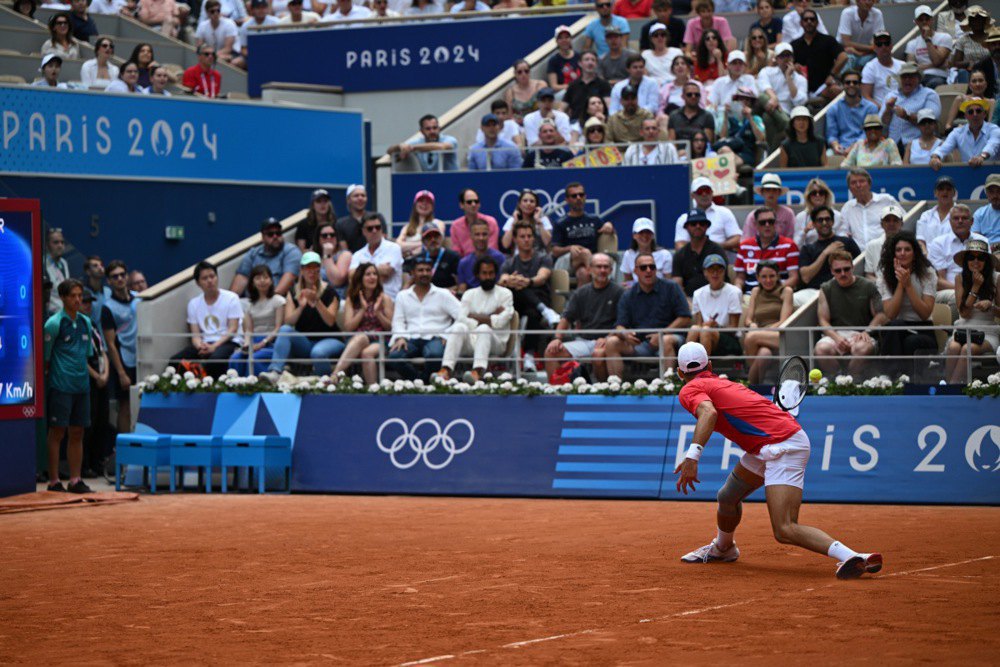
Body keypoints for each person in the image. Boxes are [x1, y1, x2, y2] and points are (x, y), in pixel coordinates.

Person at [673, 341, 882, 579]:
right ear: (710, 365)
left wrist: (692, 456)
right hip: (767, 445)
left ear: (680, 373)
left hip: (783, 446)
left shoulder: (689, 390)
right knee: (727, 497)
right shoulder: (724, 383)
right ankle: (724, 548)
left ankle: (855, 556)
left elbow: (708, 413)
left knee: (785, 528)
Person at [599, 252, 691, 376]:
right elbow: (620, 325)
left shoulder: (671, 287)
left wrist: (661, 333)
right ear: (635, 271)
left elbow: (685, 317)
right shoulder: (628, 295)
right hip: (640, 343)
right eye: (643, 267)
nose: (648, 270)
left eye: (652, 267)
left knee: (666, 340)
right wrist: (625, 334)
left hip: (670, 337)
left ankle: (667, 386)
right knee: (611, 342)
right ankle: (616, 388)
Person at [257, 252, 343, 381]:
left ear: (320, 269)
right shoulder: (293, 291)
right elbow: (288, 321)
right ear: (301, 270)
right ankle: (275, 372)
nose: (312, 272)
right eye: (308, 268)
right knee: (285, 330)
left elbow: (330, 321)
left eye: (315, 268)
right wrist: (301, 307)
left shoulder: (330, 291)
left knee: (318, 352)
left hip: (330, 339)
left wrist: (317, 302)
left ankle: (326, 384)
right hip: (306, 342)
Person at [44, 279, 94, 494]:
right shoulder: (53, 324)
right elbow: (46, 358)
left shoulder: (86, 323)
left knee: (77, 433)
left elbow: (87, 355)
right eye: (72, 296)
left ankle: (75, 480)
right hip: (60, 386)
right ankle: (54, 481)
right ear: (63, 298)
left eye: (79, 295)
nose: (77, 300)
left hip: (81, 387)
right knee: (57, 433)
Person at [544, 253, 623, 380]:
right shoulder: (581, 292)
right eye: (598, 267)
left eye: (606, 267)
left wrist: (609, 337)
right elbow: (566, 317)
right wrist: (557, 338)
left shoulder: (619, 292)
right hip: (583, 341)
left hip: (608, 341)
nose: (602, 270)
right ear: (589, 269)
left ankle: (602, 392)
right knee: (551, 352)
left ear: (611, 270)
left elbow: (622, 322)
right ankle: (556, 394)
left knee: (598, 355)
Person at [437, 257, 515, 381]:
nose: (488, 277)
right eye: (484, 273)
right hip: (470, 341)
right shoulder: (469, 294)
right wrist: (491, 316)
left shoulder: (505, 294)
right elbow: (461, 319)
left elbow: (501, 322)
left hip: (496, 342)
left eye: (491, 273)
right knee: (458, 327)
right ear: (477, 274)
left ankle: (477, 372)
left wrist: (473, 317)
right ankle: (446, 370)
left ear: (496, 274)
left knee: (483, 329)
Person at [388, 255, 463, 381]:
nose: (425, 273)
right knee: (394, 357)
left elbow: (463, 316)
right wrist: (400, 337)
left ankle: (423, 385)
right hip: (410, 338)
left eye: (428, 270)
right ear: (412, 273)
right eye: (420, 270)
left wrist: (447, 334)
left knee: (435, 355)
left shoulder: (443, 294)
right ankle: (422, 382)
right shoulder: (402, 296)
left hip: (436, 337)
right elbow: (398, 321)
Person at [499, 223, 560, 371]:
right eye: (522, 236)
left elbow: (542, 277)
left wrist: (527, 281)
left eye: (529, 236)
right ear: (515, 239)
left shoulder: (543, 258)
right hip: (518, 303)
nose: (526, 239)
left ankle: (529, 355)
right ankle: (545, 311)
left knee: (532, 311)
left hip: (538, 298)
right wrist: (510, 280)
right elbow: (502, 280)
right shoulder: (509, 262)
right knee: (516, 289)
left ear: (534, 238)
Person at [814, 250, 882, 377]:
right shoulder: (826, 288)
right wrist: (837, 338)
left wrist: (867, 331)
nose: (843, 273)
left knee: (862, 349)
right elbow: (823, 320)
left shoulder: (868, 286)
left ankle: (850, 381)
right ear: (831, 271)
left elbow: (880, 315)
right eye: (838, 271)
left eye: (846, 269)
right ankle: (835, 381)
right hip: (836, 333)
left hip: (861, 333)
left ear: (853, 267)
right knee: (821, 349)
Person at [171, 261, 244, 379]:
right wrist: (200, 346)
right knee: (175, 361)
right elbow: (195, 335)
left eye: (212, 276)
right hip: (205, 343)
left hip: (228, 341)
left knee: (215, 361)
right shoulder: (193, 304)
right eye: (205, 278)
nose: (210, 281)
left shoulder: (231, 298)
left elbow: (233, 329)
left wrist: (214, 346)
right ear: (198, 283)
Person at [876, 231, 938, 364]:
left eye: (907, 249)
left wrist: (908, 285)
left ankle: (894, 377)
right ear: (893, 253)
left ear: (914, 253)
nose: (902, 253)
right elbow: (891, 314)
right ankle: (895, 379)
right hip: (897, 329)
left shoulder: (927, 273)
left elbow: (925, 314)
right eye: (898, 250)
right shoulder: (884, 276)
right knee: (895, 325)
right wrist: (900, 283)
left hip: (923, 329)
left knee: (910, 341)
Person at [944, 238, 1000, 383]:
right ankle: (950, 390)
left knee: (966, 349)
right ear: (966, 261)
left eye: (980, 257)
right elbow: (964, 313)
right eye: (971, 257)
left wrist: (991, 306)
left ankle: (951, 390)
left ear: (986, 261)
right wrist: (975, 288)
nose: (975, 261)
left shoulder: (997, 278)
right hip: (964, 329)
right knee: (954, 347)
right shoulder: (960, 278)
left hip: (987, 332)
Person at [333, 263, 394, 385]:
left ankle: (373, 389)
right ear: (360, 278)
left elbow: (391, 328)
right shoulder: (352, 299)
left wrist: (378, 312)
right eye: (368, 274)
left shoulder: (384, 299)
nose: (373, 277)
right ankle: (335, 375)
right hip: (358, 339)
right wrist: (362, 310)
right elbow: (349, 328)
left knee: (367, 353)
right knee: (361, 337)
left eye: (375, 274)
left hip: (380, 339)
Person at [552, 182, 616, 286]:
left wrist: (610, 226)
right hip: (567, 262)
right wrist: (569, 248)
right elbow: (554, 251)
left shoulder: (594, 219)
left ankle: (587, 300)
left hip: (587, 264)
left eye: (581, 195)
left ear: (585, 197)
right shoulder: (561, 223)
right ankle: (604, 280)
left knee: (583, 274)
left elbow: (611, 234)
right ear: (567, 200)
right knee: (585, 253)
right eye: (574, 196)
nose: (578, 198)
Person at [101, 260, 138, 437]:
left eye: (122, 275)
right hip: (124, 361)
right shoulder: (108, 308)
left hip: (144, 358)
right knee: (125, 406)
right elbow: (110, 344)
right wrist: (121, 372)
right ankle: (125, 458)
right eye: (115, 277)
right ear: (109, 281)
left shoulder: (140, 299)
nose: (120, 279)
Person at [741, 259, 794, 383]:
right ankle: (757, 387)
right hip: (760, 336)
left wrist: (760, 332)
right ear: (758, 278)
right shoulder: (756, 291)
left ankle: (748, 385)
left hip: (780, 334)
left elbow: (784, 321)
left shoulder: (786, 291)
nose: (768, 280)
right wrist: (752, 324)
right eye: (764, 277)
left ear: (778, 276)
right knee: (764, 354)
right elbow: (748, 319)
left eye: (772, 276)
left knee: (751, 337)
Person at [928, 204, 987, 311]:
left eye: (964, 218)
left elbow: (987, 271)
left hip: (979, 287)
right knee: (955, 297)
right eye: (956, 218)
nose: (960, 221)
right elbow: (939, 281)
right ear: (949, 222)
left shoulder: (982, 241)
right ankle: (958, 328)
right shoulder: (938, 243)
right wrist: (962, 290)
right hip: (948, 290)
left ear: (972, 221)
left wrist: (973, 290)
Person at [228, 265, 286, 375]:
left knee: (254, 359)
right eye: (258, 278)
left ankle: (253, 386)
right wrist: (246, 344)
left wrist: (263, 343)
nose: (262, 281)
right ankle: (237, 386)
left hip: (271, 342)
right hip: (254, 341)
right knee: (235, 358)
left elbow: (279, 327)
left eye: (265, 277)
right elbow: (249, 330)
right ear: (253, 282)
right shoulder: (250, 305)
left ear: (271, 280)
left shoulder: (278, 301)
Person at [797, 206, 862, 303]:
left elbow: (860, 267)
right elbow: (805, 277)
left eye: (827, 219)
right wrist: (825, 253)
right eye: (820, 220)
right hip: (814, 293)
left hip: (845, 288)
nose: (824, 223)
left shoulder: (847, 242)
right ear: (814, 224)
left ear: (833, 222)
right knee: (793, 298)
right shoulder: (807, 249)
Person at [686, 254, 741, 357]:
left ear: (724, 272)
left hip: (729, 339)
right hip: (705, 334)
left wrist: (717, 326)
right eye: (711, 270)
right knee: (694, 328)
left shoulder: (734, 292)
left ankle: (704, 371)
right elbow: (699, 324)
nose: (715, 273)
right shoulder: (698, 293)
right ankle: (685, 366)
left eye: (719, 270)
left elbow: (734, 328)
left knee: (706, 330)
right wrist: (706, 325)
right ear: (705, 272)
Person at [735, 207, 800, 294]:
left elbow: (794, 278)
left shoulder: (789, 245)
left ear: (776, 223)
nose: (767, 225)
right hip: (750, 297)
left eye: (771, 222)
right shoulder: (744, 246)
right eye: (762, 222)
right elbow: (740, 278)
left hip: (778, 295)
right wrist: (737, 291)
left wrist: (772, 292)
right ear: (756, 225)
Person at [230, 217, 301, 297]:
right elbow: (239, 283)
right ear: (263, 238)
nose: (275, 236)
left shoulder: (291, 252)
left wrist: (263, 304)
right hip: (251, 302)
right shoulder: (252, 254)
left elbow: (282, 289)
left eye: (278, 233)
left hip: (276, 301)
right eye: (270, 234)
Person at [757, 42, 808, 148]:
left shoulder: (800, 79)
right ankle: (787, 125)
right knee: (762, 98)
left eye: (788, 55)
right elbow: (762, 85)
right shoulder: (767, 71)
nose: (786, 59)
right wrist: (774, 97)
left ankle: (770, 150)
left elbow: (800, 102)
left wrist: (789, 78)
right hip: (769, 106)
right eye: (782, 56)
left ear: (793, 58)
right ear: (776, 59)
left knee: (767, 118)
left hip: (788, 113)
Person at [880, 63, 941, 150]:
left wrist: (906, 116)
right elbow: (883, 124)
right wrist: (888, 110)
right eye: (904, 77)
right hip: (892, 145)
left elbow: (931, 122)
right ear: (900, 79)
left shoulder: (929, 94)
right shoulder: (890, 96)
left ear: (919, 79)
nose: (907, 80)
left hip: (919, 145)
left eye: (911, 77)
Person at [929, 97, 1000, 168]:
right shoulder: (957, 132)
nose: (975, 114)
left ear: (984, 114)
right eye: (970, 112)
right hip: (967, 174)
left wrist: (982, 157)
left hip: (992, 175)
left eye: (978, 111)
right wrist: (935, 157)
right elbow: (944, 148)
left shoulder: (994, 130)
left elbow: (992, 145)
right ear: (966, 116)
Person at [674, 178, 741, 252]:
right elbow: (679, 244)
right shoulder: (684, 218)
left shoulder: (724, 212)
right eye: (700, 191)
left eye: (707, 190)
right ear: (692, 195)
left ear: (712, 193)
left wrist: (715, 247)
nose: (704, 194)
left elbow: (737, 238)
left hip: (721, 258)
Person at [793, 8, 846, 101]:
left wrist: (832, 75)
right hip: (801, 89)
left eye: (812, 19)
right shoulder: (794, 44)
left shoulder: (828, 40)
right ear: (801, 23)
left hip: (824, 87)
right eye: (806, 20)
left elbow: (843, 57)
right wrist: (793, 67)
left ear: (817, 23)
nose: (809, 22)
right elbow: (785, 63)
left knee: (838, 91)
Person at [673, 209, 727, 297]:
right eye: (693, 224)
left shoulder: (717, 250)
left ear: (707, 226)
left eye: (702, 223)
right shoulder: (680, 254)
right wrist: (688, 305)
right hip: (688, 302)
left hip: (716, 298)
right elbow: (677, 287)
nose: (698, 226)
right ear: (686, 227)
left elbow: (722, 280)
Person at [349, 213, 404, 299]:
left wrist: (362, 273)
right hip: (363, 301)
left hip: (390, 300)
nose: (374, 231)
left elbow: (386, 272)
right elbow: (351, 276)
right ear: (363, 231)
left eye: (378, 227)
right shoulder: (357, 254)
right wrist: (379, 270)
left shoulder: (394, 248)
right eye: (370, 228)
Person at [841, 167, 900, 247]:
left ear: (869, 184)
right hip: (858, 256)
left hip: (886, 250)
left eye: (861, 181)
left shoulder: (886, 200)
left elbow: (904, 220)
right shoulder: (847, 207)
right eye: (853, 182)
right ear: (849, 188)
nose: (858, 185)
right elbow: (843, 233)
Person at [825, 69, 879, 157]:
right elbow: (831, 134)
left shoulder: (871, 108)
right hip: (841, 149)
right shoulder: (833, 109)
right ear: (842, 85)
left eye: (855, 82)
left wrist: (854, 147)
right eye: (848, 82)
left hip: (866, 147)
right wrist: (835, 145)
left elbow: (870, 133)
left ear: (860, 85)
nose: (851, 85)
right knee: (828, 155)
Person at [386, 114, 458, 172]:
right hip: (427, 180)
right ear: (421, 131)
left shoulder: (450, 139)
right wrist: (399, 146)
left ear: (439, 128)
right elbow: (389, 151)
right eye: (428, 129)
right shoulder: (418, 142)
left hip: (450, 179)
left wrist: (413, 148)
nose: (432, 131)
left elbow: (442, 147)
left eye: (435, 128)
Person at [907, 4, 953, 90]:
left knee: (932, 84)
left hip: (939, 76)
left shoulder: (945, 37)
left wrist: (928, 39)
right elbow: (911, 68)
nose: (924, 22)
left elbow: (936, 61)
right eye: (921, 19)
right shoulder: (912, 43)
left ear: (932, 20)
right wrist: (936, 65)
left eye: (927, 19)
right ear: (916, 22)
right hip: (919, 78)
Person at [402, 224, 460, 291]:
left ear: (441, 238)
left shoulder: (453, 257)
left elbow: (459, 284)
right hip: (423, 295)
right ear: (423, 241)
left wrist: (442, 293)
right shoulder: (418, 258)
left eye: (436, 236)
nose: (433, 240)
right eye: (429, 237)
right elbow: (410, 282)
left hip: (446, 295)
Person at [458, 219, 507, 294]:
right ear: (471, 236)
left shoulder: (500, 258)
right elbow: (462, 291)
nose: (481, 238)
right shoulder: (464, 263)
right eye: (477, 234)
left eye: (484, 234)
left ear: (489, 235)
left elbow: (504, 285)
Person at [707, 50, 757, 125]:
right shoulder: (719, 82)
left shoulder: (749, 79)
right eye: (734, 63)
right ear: (728, 66)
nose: (738, 66)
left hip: (743, 115)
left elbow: (753, 100)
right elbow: (713, 104)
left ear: (744, 66)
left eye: (740, 63)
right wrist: (723, 109)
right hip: (723, 115)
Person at [794, 178, 846, 248]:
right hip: (810, 256)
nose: (817, 195)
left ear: (826, 195)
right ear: (809, 196)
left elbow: (843, 242)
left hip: (833, 254)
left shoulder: (837, 216)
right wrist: (805, 231)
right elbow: (796, 246)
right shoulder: (801, 217)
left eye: (821, 193)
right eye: (814, 193)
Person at [563, 52, 612, 125]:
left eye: (593, 60)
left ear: (596, 64)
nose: (590, 62)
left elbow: (609, 107)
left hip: (597, 122)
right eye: (586, 60)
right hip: (576, 123)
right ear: (580, 63)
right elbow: (562, 107)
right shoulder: (573, 85)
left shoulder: (604, 84)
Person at [743, 173, 796, 240]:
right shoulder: (753, 216)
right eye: (767, 190)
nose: (771, 193)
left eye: (774, 190)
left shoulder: (788, 214)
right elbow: (747, 240)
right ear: (762, 192)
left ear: (779, 193)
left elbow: (791, 238)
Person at [620, 217, 671, 285]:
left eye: (648, 232)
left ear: (653, 235)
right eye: (641, 232)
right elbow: (628, 282)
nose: (645, 236)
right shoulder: (628, 255)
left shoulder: (665, 254)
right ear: (634, 236)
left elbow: (668, 282)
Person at [450, 188, 500, 257]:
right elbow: (456, 254)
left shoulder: (491, 222)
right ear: (461, 205)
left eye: (476, 201)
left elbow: (492, 249)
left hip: (488, 263)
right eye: (469, 202)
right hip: (466, 264)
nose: (473, 204)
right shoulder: (455, 226)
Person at [336, 185, 386, 254]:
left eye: (363, 195)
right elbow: (344, 250)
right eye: (356, 196)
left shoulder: (378, 217)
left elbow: (384, 242)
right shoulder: (341, 224)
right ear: (348, 200)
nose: (360, 198)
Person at [837, 0, 883, 74]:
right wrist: (871, 47)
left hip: (867, 53)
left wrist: (860, 53)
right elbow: (846, 43)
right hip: (846, 51)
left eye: (872, 0)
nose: (868, 2)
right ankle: (846, 83)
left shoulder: (877, 14)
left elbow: (877, 43)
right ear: (857, 1)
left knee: (880, 58)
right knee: (847, 58)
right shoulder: (847, 13)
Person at [396, 190, 445, 260]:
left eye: (428, 202)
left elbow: (437, 243)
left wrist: (409, 251)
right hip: (408, 264)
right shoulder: (407, 227)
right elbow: (398, 245)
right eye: (421, 201)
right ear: (415, 205)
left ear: (432, 206)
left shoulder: (438, 223)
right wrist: (423, 245)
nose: (424, 204)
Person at [501, 189, 552, 254]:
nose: (528, 204)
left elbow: (548, 242)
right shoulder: (512, 220)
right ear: (519, 204)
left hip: (540, 258)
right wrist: (514, 223)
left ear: (536, 205)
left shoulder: (543, 219)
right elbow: (505, 244)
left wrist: (538, 222)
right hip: (518, 258)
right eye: (525, 201)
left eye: (532, 201)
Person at [861, 30, 902, 107]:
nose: (883, 47)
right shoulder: (870, 68)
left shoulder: (903, 65)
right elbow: (866, 96)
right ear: (874, 47)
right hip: (881, 111)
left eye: (886, 43)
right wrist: (883, 110)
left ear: (891, 46)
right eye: (879, 44)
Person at [863, 205, 905, 279]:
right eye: (887, 220)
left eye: (895, 220)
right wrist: (882, 287)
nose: (891, 224)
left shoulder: (910, 244)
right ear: (881, 224)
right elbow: (869, 274)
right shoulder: (872, 245)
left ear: (901, 223)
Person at [916, 176, 957, 251]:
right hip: (928, 259)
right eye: (941, 189)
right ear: (935, 193)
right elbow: (920, 241)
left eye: (948, 189)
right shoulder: (926, 216)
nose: (945, 192)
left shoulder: (961, 215)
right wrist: (926, 257)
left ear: (954, 193)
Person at [196, 0, 240, 67]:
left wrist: (211, 55)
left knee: (222, 58)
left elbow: (228, 49)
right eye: (212, 11)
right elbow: (199, 47)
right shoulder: (202, 26)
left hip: (232, 54)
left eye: (218, 11)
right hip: (212, 54)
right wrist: (208, 55)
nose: (216, 13)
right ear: (207, 13)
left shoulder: (229, 24)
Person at [504, 59, 547, 123]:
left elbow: (547, 106)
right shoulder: (510, 92)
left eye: (526, 71)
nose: (523, 74)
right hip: (520, 126)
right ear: (515, 74)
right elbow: (509, 116)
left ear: (530, 72)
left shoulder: (540, 85)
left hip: (541, 121)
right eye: (519, 72)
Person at [313, 224, 351, 296]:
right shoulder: (314, 257)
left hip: (339, 298)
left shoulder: (345, 254)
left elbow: (336, 281)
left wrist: (327, 254)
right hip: (318, 297)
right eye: (324, 235)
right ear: (318, 239)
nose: (329, 237)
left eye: (332, 235)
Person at [642, 21, 684, 86]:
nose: (660, 37)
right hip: (655, 88)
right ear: (651, 39)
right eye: (656, 35)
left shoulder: (677, 52)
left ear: (667, 37)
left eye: (663, 35)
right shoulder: (645, 55)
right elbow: (645, 76)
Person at [297, 188, 335, 253]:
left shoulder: (336, 223)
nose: (322, 204)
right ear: (313, 205)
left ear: (329, 204)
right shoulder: (303, 224)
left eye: (325, 201)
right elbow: (301, 251)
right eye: (318, 201)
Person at [44, 228, 71, 316]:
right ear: (47, 245)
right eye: (56, 242)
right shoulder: (42, 264)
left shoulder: (64, 263)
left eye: (62, 242)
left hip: (65, 313)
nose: (60, 245)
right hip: (50, 315)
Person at [548, 25, 581, 96]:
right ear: (556, 41)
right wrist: (571, 87)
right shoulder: (553, 60)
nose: (564, 40)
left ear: (571, 39)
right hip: (563, 93)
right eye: (560, 38)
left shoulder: (579, 56)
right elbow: (554, 86)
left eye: (566, 37)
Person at [971, 173, 1000, 244]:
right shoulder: (979, 214)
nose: (995, 196)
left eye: (999, 191)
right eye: (991, 192)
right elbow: (976, 240)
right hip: (986, 252)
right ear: (986, 193)